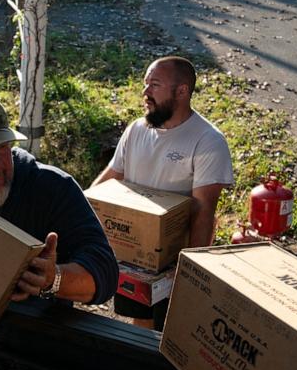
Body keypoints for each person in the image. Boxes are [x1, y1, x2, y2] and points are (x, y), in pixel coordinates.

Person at [0, 91, 118, 306]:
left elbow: (105, 273)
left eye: (1, 148)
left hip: (33, 333)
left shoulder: (52, 188)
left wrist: (53, 279)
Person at [92, 56, 233, 329]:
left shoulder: (208, 141)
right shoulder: (136, 130)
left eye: (154, 85)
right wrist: (81, 212)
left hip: (173, 262)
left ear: (181, 91)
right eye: (145, 84)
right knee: (139, 324)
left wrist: (192, 276)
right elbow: (110, 179)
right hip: (133, 253)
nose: (145, 93)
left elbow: (204, 212)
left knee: (171, 330)